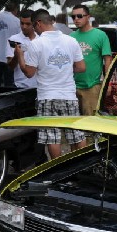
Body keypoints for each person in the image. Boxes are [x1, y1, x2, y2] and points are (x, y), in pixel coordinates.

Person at [15, 9, 86, 160]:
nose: (34, 30)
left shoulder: (36, 44)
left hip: (47, 95)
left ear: (38, 23)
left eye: (33, 26)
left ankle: (57, 169)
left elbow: (29, 73)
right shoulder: (71, 40)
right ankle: (81, 166)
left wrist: (20, 57)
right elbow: (81, 67)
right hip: (69, 95)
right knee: (76, 134)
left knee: (52, 136)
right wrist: (65, 68)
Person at [70, 4, 112, 116]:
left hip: (92, 86)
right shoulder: (71, 37)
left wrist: (107, 84)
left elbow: (107, 60)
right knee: (73, 124)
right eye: (73, 17)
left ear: (88, 17)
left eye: (79, 16)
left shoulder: (100, 35)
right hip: (71, 87)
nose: (76, 19)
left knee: (90, 125)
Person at [6, 9, 38, 89]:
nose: (24, 27)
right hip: (20, 85)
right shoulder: (13, 39)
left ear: (34, 23)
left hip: (40, 86)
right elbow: (10, 67)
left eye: (28, 24)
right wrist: (16, 56)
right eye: (22, 23)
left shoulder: (41, 39)